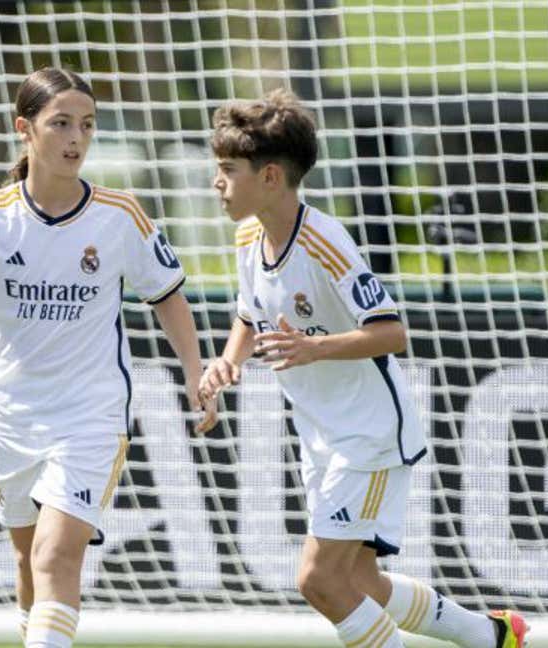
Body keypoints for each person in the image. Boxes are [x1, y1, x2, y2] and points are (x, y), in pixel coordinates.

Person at [0, 67, 218, 648]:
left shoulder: (120, 215)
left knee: (54, 554)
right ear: (25, 129)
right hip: (13, 415)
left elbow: (169, 298)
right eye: (61, 123)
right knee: (27, 561)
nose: (76, 138)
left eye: (87, 126)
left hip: (91, 415)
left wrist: (196, 372)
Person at [198, 89, 528, 648]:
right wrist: (227, 363)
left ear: (271, 177)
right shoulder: (250, 235)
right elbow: (248, 313)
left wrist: (314, 348)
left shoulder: (326, 241)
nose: (217, 181)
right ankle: (488, 635)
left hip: (368, 435)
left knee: (318, 579)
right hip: (322, 435)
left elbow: (392, 332)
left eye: (229, 170)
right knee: (358, 582)